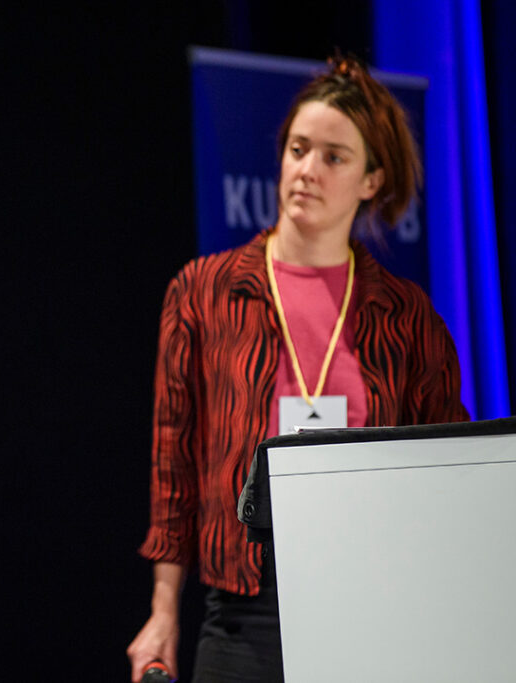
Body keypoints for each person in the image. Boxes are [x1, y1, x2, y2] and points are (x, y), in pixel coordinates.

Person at [126, 56, 468, 683]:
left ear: (372, 180)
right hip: (243, 612)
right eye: (297, 148)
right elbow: (172, 464)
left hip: (375, 607)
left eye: (334, 157)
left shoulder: (406, 315)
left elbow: (452, 483)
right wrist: (163, 610)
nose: (307, 170)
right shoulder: (204, 291)